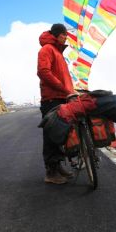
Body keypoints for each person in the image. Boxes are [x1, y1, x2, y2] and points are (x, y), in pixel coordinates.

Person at [37, 23, 75, 184]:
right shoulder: (47, 49)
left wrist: (69, 91)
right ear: (57, 35)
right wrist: (61, 87)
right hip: (51, 98)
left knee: (60, 133)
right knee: (51, 134)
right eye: (64, 34)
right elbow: (43, 72)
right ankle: (51, 172)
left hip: (61, 97)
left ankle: (57, 166)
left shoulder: (57, 52)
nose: (66, 37)